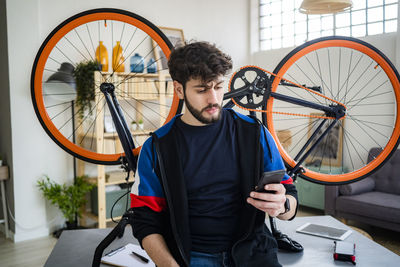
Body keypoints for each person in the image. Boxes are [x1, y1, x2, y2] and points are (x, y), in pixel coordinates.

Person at [130, 41, 298, 267]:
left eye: (218, 87)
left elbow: (290, 195)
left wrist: (283, 206)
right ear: (179, 89)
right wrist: (169, 265)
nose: (213, 99)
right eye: (201, 90)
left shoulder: (254, 133)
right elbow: (145, 220)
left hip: (253, 253)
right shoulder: (157, 147)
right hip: (192, 256)